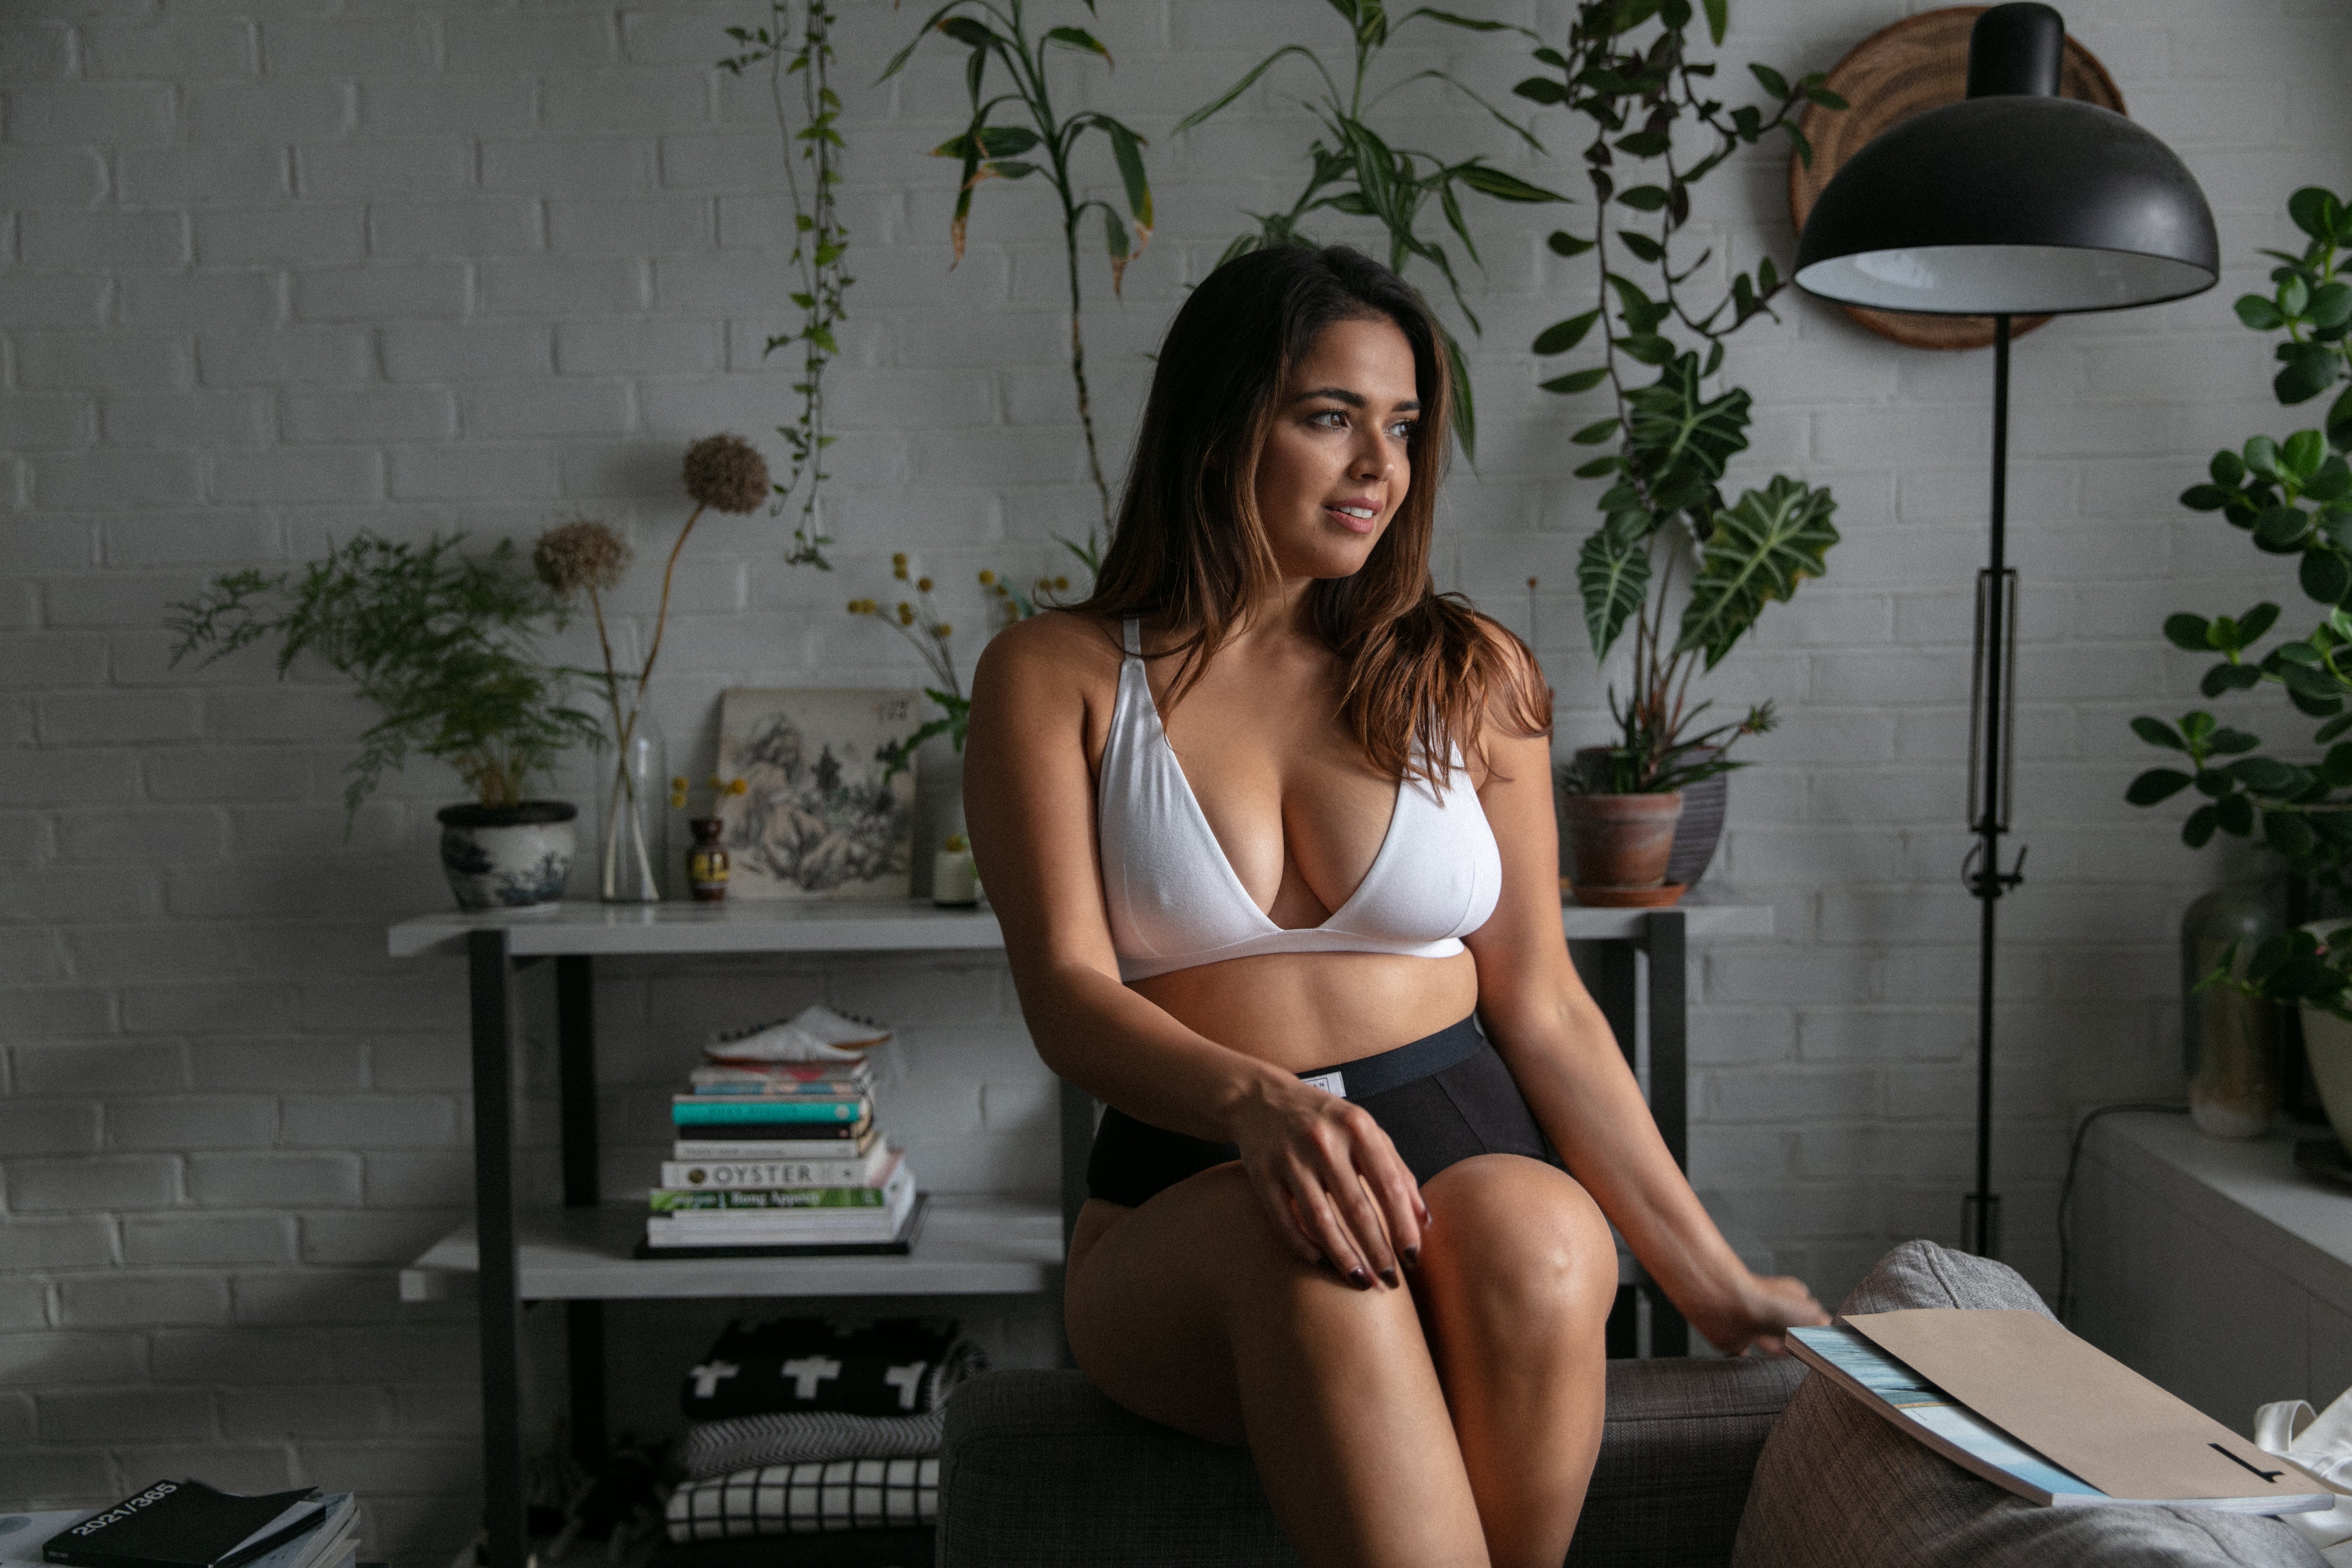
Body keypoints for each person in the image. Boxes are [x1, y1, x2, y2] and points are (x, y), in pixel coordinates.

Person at [962, 245, 1828, 1568]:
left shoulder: (1469, 675)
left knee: (1543, 1233)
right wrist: (1264, 1106)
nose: (1380, 466)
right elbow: (1069, 999)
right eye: (1329, 417)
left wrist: (1712, 1277)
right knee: (1309, 1258)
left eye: (1405, 427)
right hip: (1192, 1204)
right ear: (1216, 430)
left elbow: (1543, 1004)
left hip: (1470, 1168)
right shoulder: (1060, 675)